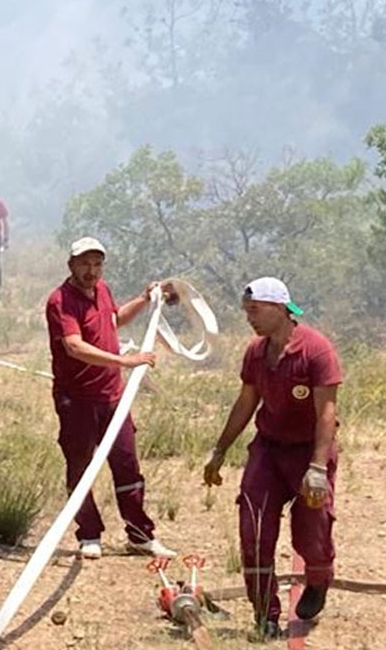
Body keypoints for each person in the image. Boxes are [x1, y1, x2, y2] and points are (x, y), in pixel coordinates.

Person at [203, 277, 343, 640]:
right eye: (247, 311)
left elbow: (326, 413)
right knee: (254, 528)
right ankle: (265, 613)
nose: (250, 318)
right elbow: (246, 402)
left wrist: (316, 468)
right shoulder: (256, 352)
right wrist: (219, 450)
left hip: (309, 450)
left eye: (256, 310)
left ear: (280, 308)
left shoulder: (317, 351)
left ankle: (317, 582)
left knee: (311, 529)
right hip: (268, 449)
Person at [44, 236, 178, 560]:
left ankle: (140, 535)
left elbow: (114, 320)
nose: (91, 271)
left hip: (112, 397)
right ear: (71, 265)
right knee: (80, 467)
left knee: (127, 463)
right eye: (85, 264)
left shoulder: (102, 290)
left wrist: (145, 300)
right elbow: (74, 346)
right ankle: (89, 534)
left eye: (97, 264)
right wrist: (124, 362)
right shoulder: (60, 301)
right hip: (76, 399)